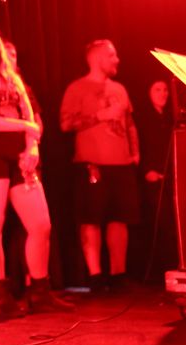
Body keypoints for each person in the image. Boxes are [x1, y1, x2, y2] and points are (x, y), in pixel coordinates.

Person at [0, 23, 73, 316]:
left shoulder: (13, 79)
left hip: (20, 154)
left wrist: (32, 149)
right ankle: (0, 294)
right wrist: (26, 127)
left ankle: (40, 291)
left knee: (41, 225)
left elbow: (31, 117)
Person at [59, 39, 140, 292]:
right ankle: (95, 277)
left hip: (121, 164)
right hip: (91, 163)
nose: (117, 60)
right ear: (96, 58)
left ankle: (118, 275)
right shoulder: (77, 88)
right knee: (91, 219)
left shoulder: (120, 89)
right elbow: (65, 124)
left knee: (120, 219)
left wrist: (135, 152)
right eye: (112, 55)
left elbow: (129, 123)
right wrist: (100, 116)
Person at [133, 80, 176, 280]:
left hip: (170, 177)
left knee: (172, 224)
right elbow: (137, 145)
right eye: (157, 89)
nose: (163, 93)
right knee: (159, 223)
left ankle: (173, 266)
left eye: (165, 89)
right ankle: (158, 272)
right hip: (151, 178)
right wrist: (146, 170)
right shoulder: (141, 118)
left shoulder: (171, 118)